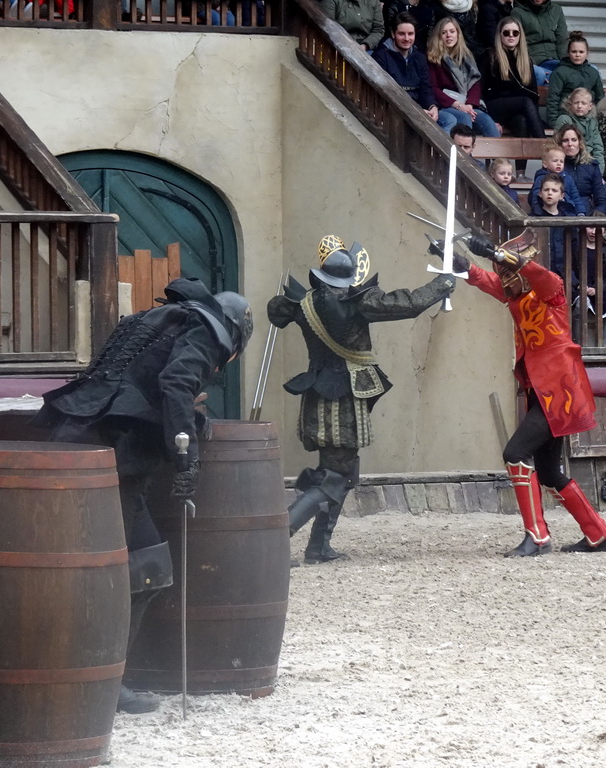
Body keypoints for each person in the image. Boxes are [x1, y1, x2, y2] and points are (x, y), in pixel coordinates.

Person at [33, 277, 253, 714]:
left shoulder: (153, 318)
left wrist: (187, 417)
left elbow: (138, 384)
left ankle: (98, 679)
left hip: (77, 437)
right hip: (115, 453)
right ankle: (106, 683)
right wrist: (185, 454)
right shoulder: (205, 330)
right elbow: (173, 383)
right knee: (142, 567)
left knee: (107, 567)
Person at [268, 235, 456, 564]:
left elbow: (275, 311)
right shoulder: (357, 302)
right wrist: (443, 283)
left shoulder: (305, 303)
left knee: (342, 473)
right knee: (336, 475)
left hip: (318, 393)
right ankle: (276, 540)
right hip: (341, 398)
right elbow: (408, 303)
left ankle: (319, 547)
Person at [453, 230, 606, 556]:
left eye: (508, 270)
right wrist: (458, 263)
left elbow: (533, 273)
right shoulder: (519, 294)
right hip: (546, 393)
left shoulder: (549, 288)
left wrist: (497, 254)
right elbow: (485, 280)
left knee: (515, 453)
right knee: (550, 471)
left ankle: (537, 537)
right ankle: (598, 534)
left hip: (558, 391)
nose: (504, 278)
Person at [480, 15, 546, 173]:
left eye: (515, 33)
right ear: (500, 34)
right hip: (493, 108)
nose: (511, 36)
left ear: (520, 36)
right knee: (525, 102)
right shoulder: (489, 56)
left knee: (522, 120)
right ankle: (547, 150)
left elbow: (533, 93)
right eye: (506, 32)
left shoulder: (525, 59)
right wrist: (489, 118)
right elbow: (482, 90)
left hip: (516, 110)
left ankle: (520, 173)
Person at [373, 14, 457, 133]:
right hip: (393, 109)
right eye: (402, 34)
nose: (407, 38)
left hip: (418, 108)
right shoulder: (381, 57)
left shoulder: (419, 58)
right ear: (393, 34)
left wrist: (432, 106)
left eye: (410, 34)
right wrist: (415, 111)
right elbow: (384, 92)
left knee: (449, 120)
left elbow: (425, 88)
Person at [427, 16, 501, 137]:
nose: (448, 36)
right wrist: (459, 105)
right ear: (439, 36)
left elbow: (475, 82)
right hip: (445, 106)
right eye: (444, 33)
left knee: (487, 121)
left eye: (452, 31)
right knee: (464, 118)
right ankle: (466, 155)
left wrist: (469, 105)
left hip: (466, 104)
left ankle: (499, 156)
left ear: (458, 34)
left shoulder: (466, 57)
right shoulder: (433, 58)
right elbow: (433, 89)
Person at [531, 173, 579, 291]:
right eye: (546, 189)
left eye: (554, 190)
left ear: (562, 195)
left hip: (564, 273)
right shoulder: (532, 219)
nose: (550, 193)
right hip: (540, 271)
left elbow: (575, 249)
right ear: (540, 193)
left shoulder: (568, 221)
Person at [546, 31, 604, 128]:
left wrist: (599, 121)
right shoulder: (560, 72)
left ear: (587, 54)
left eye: (581, 52)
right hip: (566, 118)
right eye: (574, 51)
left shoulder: (593, 73)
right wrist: (554, 122)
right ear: (568, 53)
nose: (577, 55)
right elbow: (553, 99)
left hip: (589, 119)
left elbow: (600, 98)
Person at [553, 124, 606, 215]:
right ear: (560, 144)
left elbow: (601, 198)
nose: (570, 144)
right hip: (559, 214)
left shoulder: (591, 165)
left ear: (580, 143)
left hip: (586, 215)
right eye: (565, 140)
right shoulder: (553, 164)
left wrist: (598, 213)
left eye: (574, 140)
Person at [511, 0, 568, 86]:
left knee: (589, 71)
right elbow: (516, 42)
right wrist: (528, 62)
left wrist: (564, 63)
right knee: (548, 77)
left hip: (554, 59)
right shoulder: (517, 12)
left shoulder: (556, 10)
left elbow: (562, 40)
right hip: (532, 60)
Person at [552, 88, 605, 171]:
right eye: (576, 103)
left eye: (583, 103)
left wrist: (600, 172)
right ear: (570, 104)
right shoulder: (564, 119)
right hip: (569, 162)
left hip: (589, 162)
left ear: (590, 106)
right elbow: (557, 144)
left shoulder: (593, 122)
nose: (579, 106)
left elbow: (598, 148)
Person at [527, 144, 587, 214]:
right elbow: (535, 196)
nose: (559, 163)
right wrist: (537, 211)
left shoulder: (568, 178)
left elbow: (575, 196)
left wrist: (581, 212)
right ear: (545, 164)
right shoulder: (541, 178)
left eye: (561, 161)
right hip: (546, 212)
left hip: (567, 211)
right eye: (555, 161)